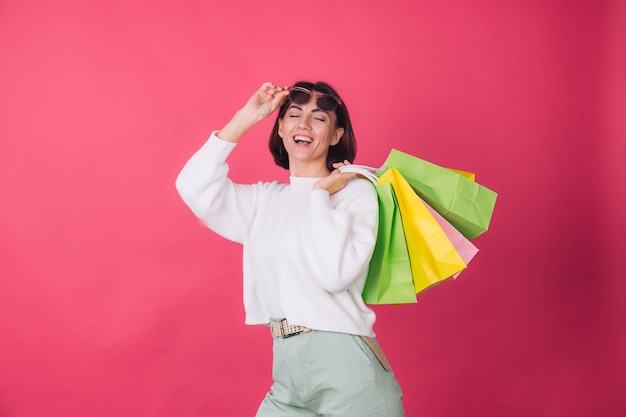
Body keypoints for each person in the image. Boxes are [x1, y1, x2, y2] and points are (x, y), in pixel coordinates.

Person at [176, 81, 405, 417]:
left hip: (348, 369)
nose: (304, 124)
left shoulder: (355, 194)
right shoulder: (263, 201)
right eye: (294, 115)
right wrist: (245, 118)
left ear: (337, 135)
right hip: (287, 373)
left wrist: (319, 197)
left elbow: (334, 275)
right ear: (281, 128)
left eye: (319, 118)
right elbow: (192, 186)